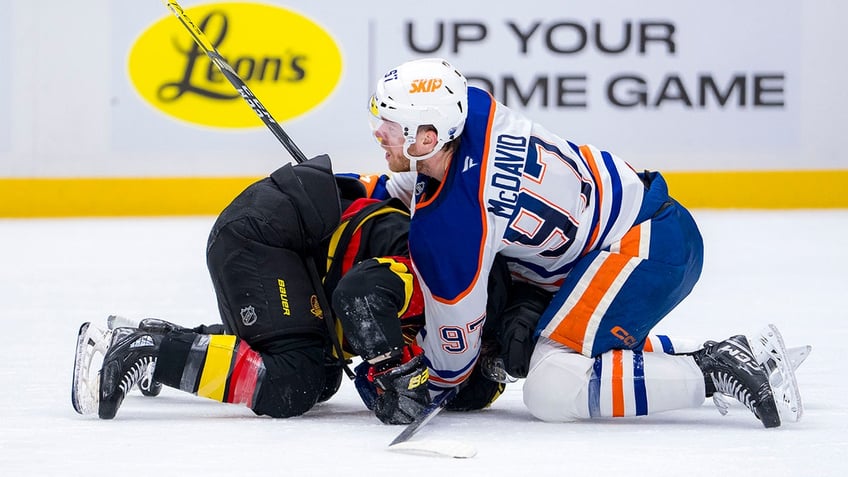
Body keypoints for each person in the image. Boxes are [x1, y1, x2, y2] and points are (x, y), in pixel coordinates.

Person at [364, 57, 803, 427]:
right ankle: (725, 352)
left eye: (392, 123)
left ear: (429, 137)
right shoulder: (474, 106)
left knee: (552, 385)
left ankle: (710, 371)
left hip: (642, 250)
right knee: (537, 344)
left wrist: (431, 384)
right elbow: (435, 185)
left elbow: (453, 360)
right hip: (647, 227)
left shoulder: (454, 230)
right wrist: (363, 189)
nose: (379, 132)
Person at [71, 155, 512, 423]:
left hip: (292, 249)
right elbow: (359, 295)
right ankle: (143, 348)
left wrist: (469, 375)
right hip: (267, 237)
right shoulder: (445, 280)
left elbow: (455, 388)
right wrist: (388, 364)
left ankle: (174, 344)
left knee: (318, 377)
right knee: (294, 379)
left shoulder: (465, 318)